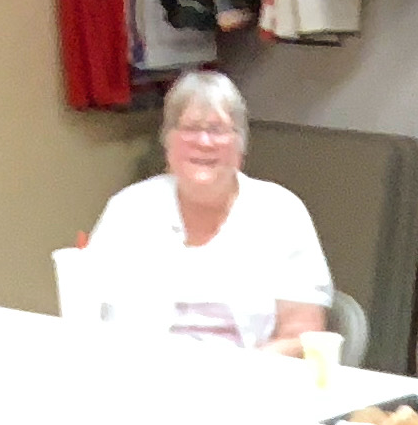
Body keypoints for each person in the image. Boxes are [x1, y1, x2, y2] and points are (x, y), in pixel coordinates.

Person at [83, 72, 331, 352]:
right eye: (190, 128)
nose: (204, 142)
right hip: (141, 370)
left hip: (248, 373)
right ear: (168, 142)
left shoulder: (281, 213)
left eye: (217, 130)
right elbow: (87, 316)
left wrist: (243, 369)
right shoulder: (129, 209)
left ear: (240, 145)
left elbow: (302, 337)